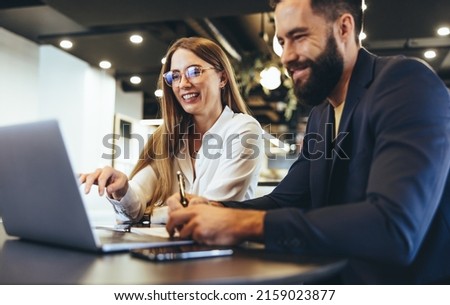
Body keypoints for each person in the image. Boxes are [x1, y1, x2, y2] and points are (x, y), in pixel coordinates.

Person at [166, 0, 450, 284]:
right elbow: (285, 200)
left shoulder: (406, 83)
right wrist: (215, 209)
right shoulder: (321, 114)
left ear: (343, 28)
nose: (287, 56)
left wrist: (246, 224)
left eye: (299, 37)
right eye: (281, 42)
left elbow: (393, 227)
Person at [80, 37, 264, 224]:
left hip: (224, 250)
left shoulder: (244, 129)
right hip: (173, 249)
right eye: (175, 76)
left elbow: (210, 211)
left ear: (222, 78)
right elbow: (136, 201)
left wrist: (150, 215)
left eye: (194, 71)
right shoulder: (169, 136)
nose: (183, 83)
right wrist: (122, 188)